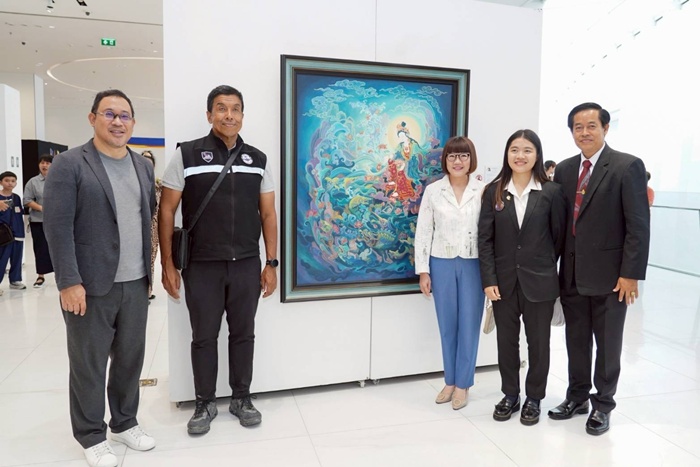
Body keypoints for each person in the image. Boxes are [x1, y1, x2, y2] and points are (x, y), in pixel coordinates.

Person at [43, 89, 157, 467]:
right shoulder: (70, 164)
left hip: (135, 281)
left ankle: (124, 422)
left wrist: (151, 272)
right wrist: (68, 281)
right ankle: (91, 434)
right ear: (92, 118)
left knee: (129, 360)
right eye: (109, 114)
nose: (117, 122)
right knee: (88, 364)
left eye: (124, 115)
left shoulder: (142, 166)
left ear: (133, 123)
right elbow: (57, 227)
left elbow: (146, 219)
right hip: (89, 285)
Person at [159, 85, 278, 435]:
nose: (229, 115)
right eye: (222, 108)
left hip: (245, 263)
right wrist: (167, 265)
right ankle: (204, 403)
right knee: (203, 336)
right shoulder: (187, 154)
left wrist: (271, 263)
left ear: (243, 115)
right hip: (202, 265)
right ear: (209, 114)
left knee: (243, 334)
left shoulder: (258, 159)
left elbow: (268, 214)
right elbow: (166, 211)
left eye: (236, 109)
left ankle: (241, 398)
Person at [548, 102, 650, 435]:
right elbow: (561, 224)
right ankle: (576, 397)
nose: (585, 132)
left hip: (611, 277)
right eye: (578, 127)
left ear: (605, 128)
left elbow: (638, 226)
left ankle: (603, 405)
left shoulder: (626, 166)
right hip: (572, 274)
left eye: (591, 126)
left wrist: (630, 274)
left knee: (607, 345)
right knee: (576, 341)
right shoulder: (565, 170)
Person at [478, 130, 567, 425]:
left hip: (539, 282)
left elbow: (558, 238)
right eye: (514, 149)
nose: (520, 155)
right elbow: (485, 240)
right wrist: (489, 279)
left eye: (527, 150)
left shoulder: (551, 192)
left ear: (537, 155)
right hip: (502, 283)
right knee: (506, 343)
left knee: (538, 344)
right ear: (507, 154)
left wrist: (542, 266)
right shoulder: (493, 191)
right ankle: (510, 394)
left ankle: (534, 397)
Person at [414, 135, 485, 410]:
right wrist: (423, 271)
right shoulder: (433, 191)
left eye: (464, 155)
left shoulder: (483, 190)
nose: (458, 161)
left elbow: (489, 233)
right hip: (441, 262)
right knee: (447, 325)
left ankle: (463, 384)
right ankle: (450, 380)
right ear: (445, 159)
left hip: (473, 263)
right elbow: (423, 231)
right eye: (452, 156)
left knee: (469, 324)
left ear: (471, 159)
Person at [23, 154, 54, 288]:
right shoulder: (33, 182)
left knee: (60, 247)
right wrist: (42, 208)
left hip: (57, 221)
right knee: (40, 248)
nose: (44, 165)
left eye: (48, 163)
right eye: (42, 163)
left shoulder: (60, 179)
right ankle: (41, 275)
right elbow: (27, 200)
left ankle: (62, 275)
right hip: (38, 220)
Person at [0, 171, 26, 294]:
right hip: (3, 234)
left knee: (17, 257)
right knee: (2, 258)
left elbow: (19, 213)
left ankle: (15, 280)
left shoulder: (16, 198)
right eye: (7, 180)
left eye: (13, 181)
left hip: (17, 232)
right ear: (1, 182)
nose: (10, 183)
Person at [141, 150, 162, 300]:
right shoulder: (134, 183)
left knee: (151, 260)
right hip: (138, 229)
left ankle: (147, 291)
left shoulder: (158, 186)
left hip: (154, 229)